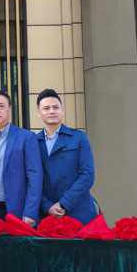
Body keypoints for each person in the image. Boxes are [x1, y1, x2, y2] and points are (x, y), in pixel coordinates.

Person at [0, 90, 42, 226]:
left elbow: (35, 177)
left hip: (16, 211)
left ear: (9, 109)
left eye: (1, 106)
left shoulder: (26, 137)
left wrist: (30, 212)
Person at [35, 88, 99, 224]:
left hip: (78, 211)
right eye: (46, 108)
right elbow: (31, 181)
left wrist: (64, 203)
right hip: (47, 214)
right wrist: (47, 206)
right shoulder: (33, 142)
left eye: (55, 107)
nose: (52, 111)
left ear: (62, 110)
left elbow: (87, 175)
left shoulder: (78, 138)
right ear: (39, 113)